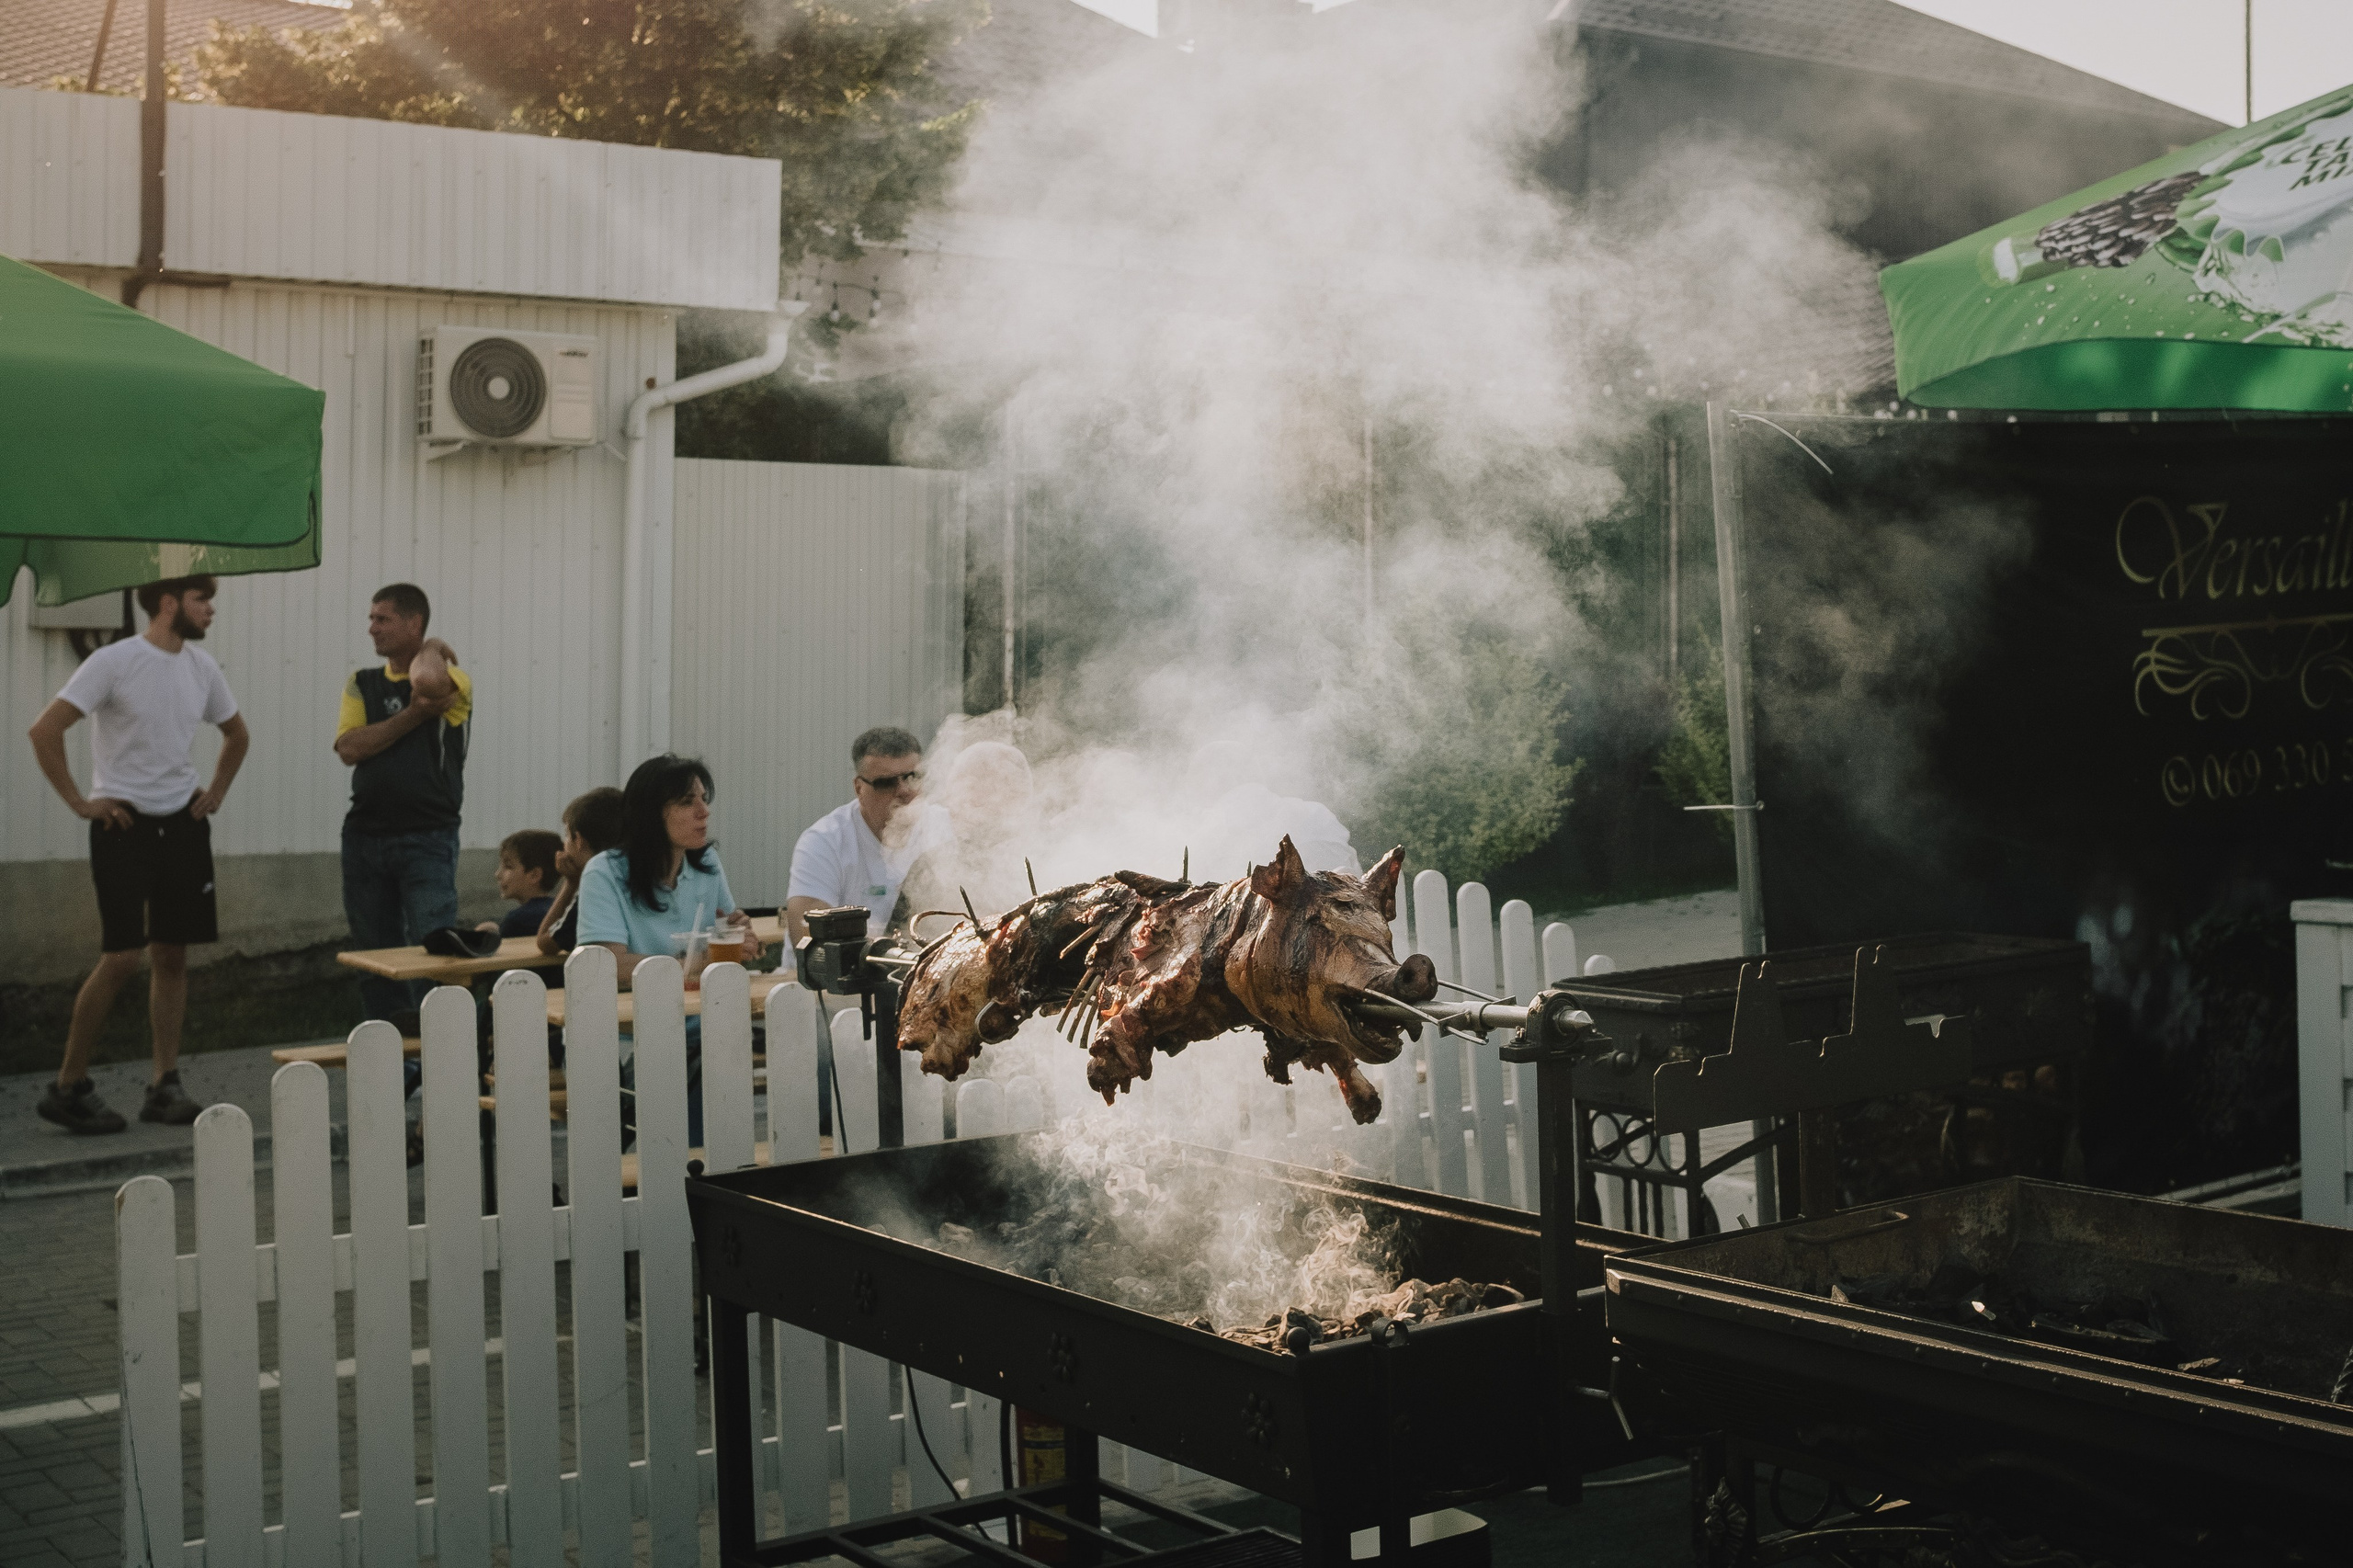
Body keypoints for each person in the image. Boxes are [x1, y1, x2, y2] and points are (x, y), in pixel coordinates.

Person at [27, 574, 250, 1134]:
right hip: (121, 823)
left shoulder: (203, 669)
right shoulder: (114, 661)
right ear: (169, 604)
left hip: (182, 825)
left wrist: (216, 791)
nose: (211, 611)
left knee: (171, 954)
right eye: (203, 601)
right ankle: (68, 1087)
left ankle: (163, 1085)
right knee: (123, 954)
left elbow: (237, 735)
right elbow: (44, 730)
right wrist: (81, 802)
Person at [576, 756, 760, 1145]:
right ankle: (691, 1183)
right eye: (686, 802)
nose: (703, 811)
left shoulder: (706, 863)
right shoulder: (604, 872)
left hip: (703, 1027)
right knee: (695, 1069)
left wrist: (742, 937)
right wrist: (697, 960)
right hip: (628, 1037)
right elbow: (608, 964)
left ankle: (710, 1177)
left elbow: (727, 929)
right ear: (649, 814)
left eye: (703, 798)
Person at [335, 583, 471, 1027]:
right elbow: (350, 748)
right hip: (365, 837)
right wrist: (413, 716)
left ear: (414, 623)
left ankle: (440, 1048)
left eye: (383, 619)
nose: (371, 629)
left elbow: (428, 682)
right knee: (375, 955)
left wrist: (431, 647)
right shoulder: (362, 682)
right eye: (371, 618)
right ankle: (387, 1052)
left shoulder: (453, 677)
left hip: (427, 837)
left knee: (435, 949)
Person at [786, 725, 949, 943]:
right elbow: (810, 938)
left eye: (912, 777)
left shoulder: (942, 825)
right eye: (886, 783)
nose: (903, 791)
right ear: (859, 789)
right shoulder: (824, 841)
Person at [535, 787, 630, 975]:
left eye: (567, 836)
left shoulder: (597, 886)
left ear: (578, 840)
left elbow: (545, 942)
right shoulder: (633, 874)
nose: (564, 846)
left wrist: (570, 883)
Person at [475, 829, 560, 937]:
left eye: (508, 867)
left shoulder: (518, 920)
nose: (497, 874)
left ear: (534, 875)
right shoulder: (559, 911)